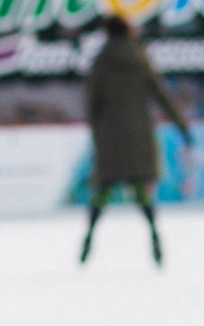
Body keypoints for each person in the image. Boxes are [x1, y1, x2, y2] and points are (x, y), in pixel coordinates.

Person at [79, 16, 193, 268]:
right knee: (141, 189)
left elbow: (92, 104)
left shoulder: (100, 61)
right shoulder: (140, 57)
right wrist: (182, 126)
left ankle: (88, 236)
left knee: (104, 188)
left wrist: (97, 134)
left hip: (110, 136)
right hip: (138, 134)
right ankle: (154, 233)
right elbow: (161, 94)